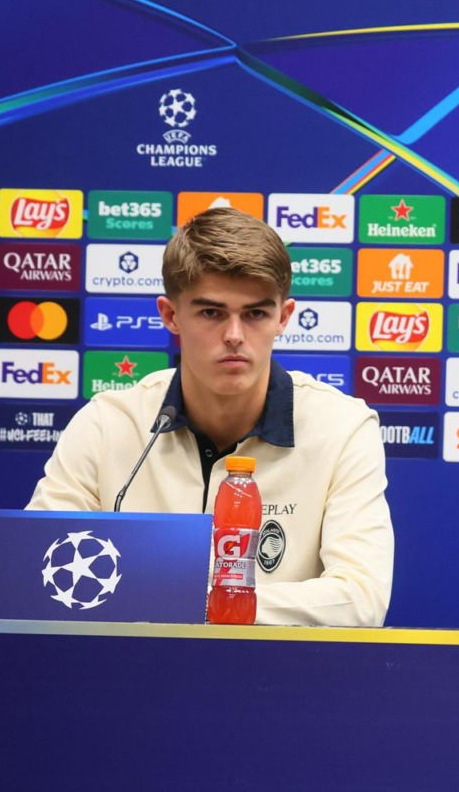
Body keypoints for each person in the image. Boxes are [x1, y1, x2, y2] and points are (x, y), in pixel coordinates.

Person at [28, 207, 393, 627]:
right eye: (211, 313)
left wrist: (195, 604)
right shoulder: (107, 424)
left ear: (283, 317)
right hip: (127, 665)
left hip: (277, 669)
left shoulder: (342, 428)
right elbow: (41, 571)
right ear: (170, 315)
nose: (234, 336)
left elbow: (361, 598)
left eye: (255, 314)